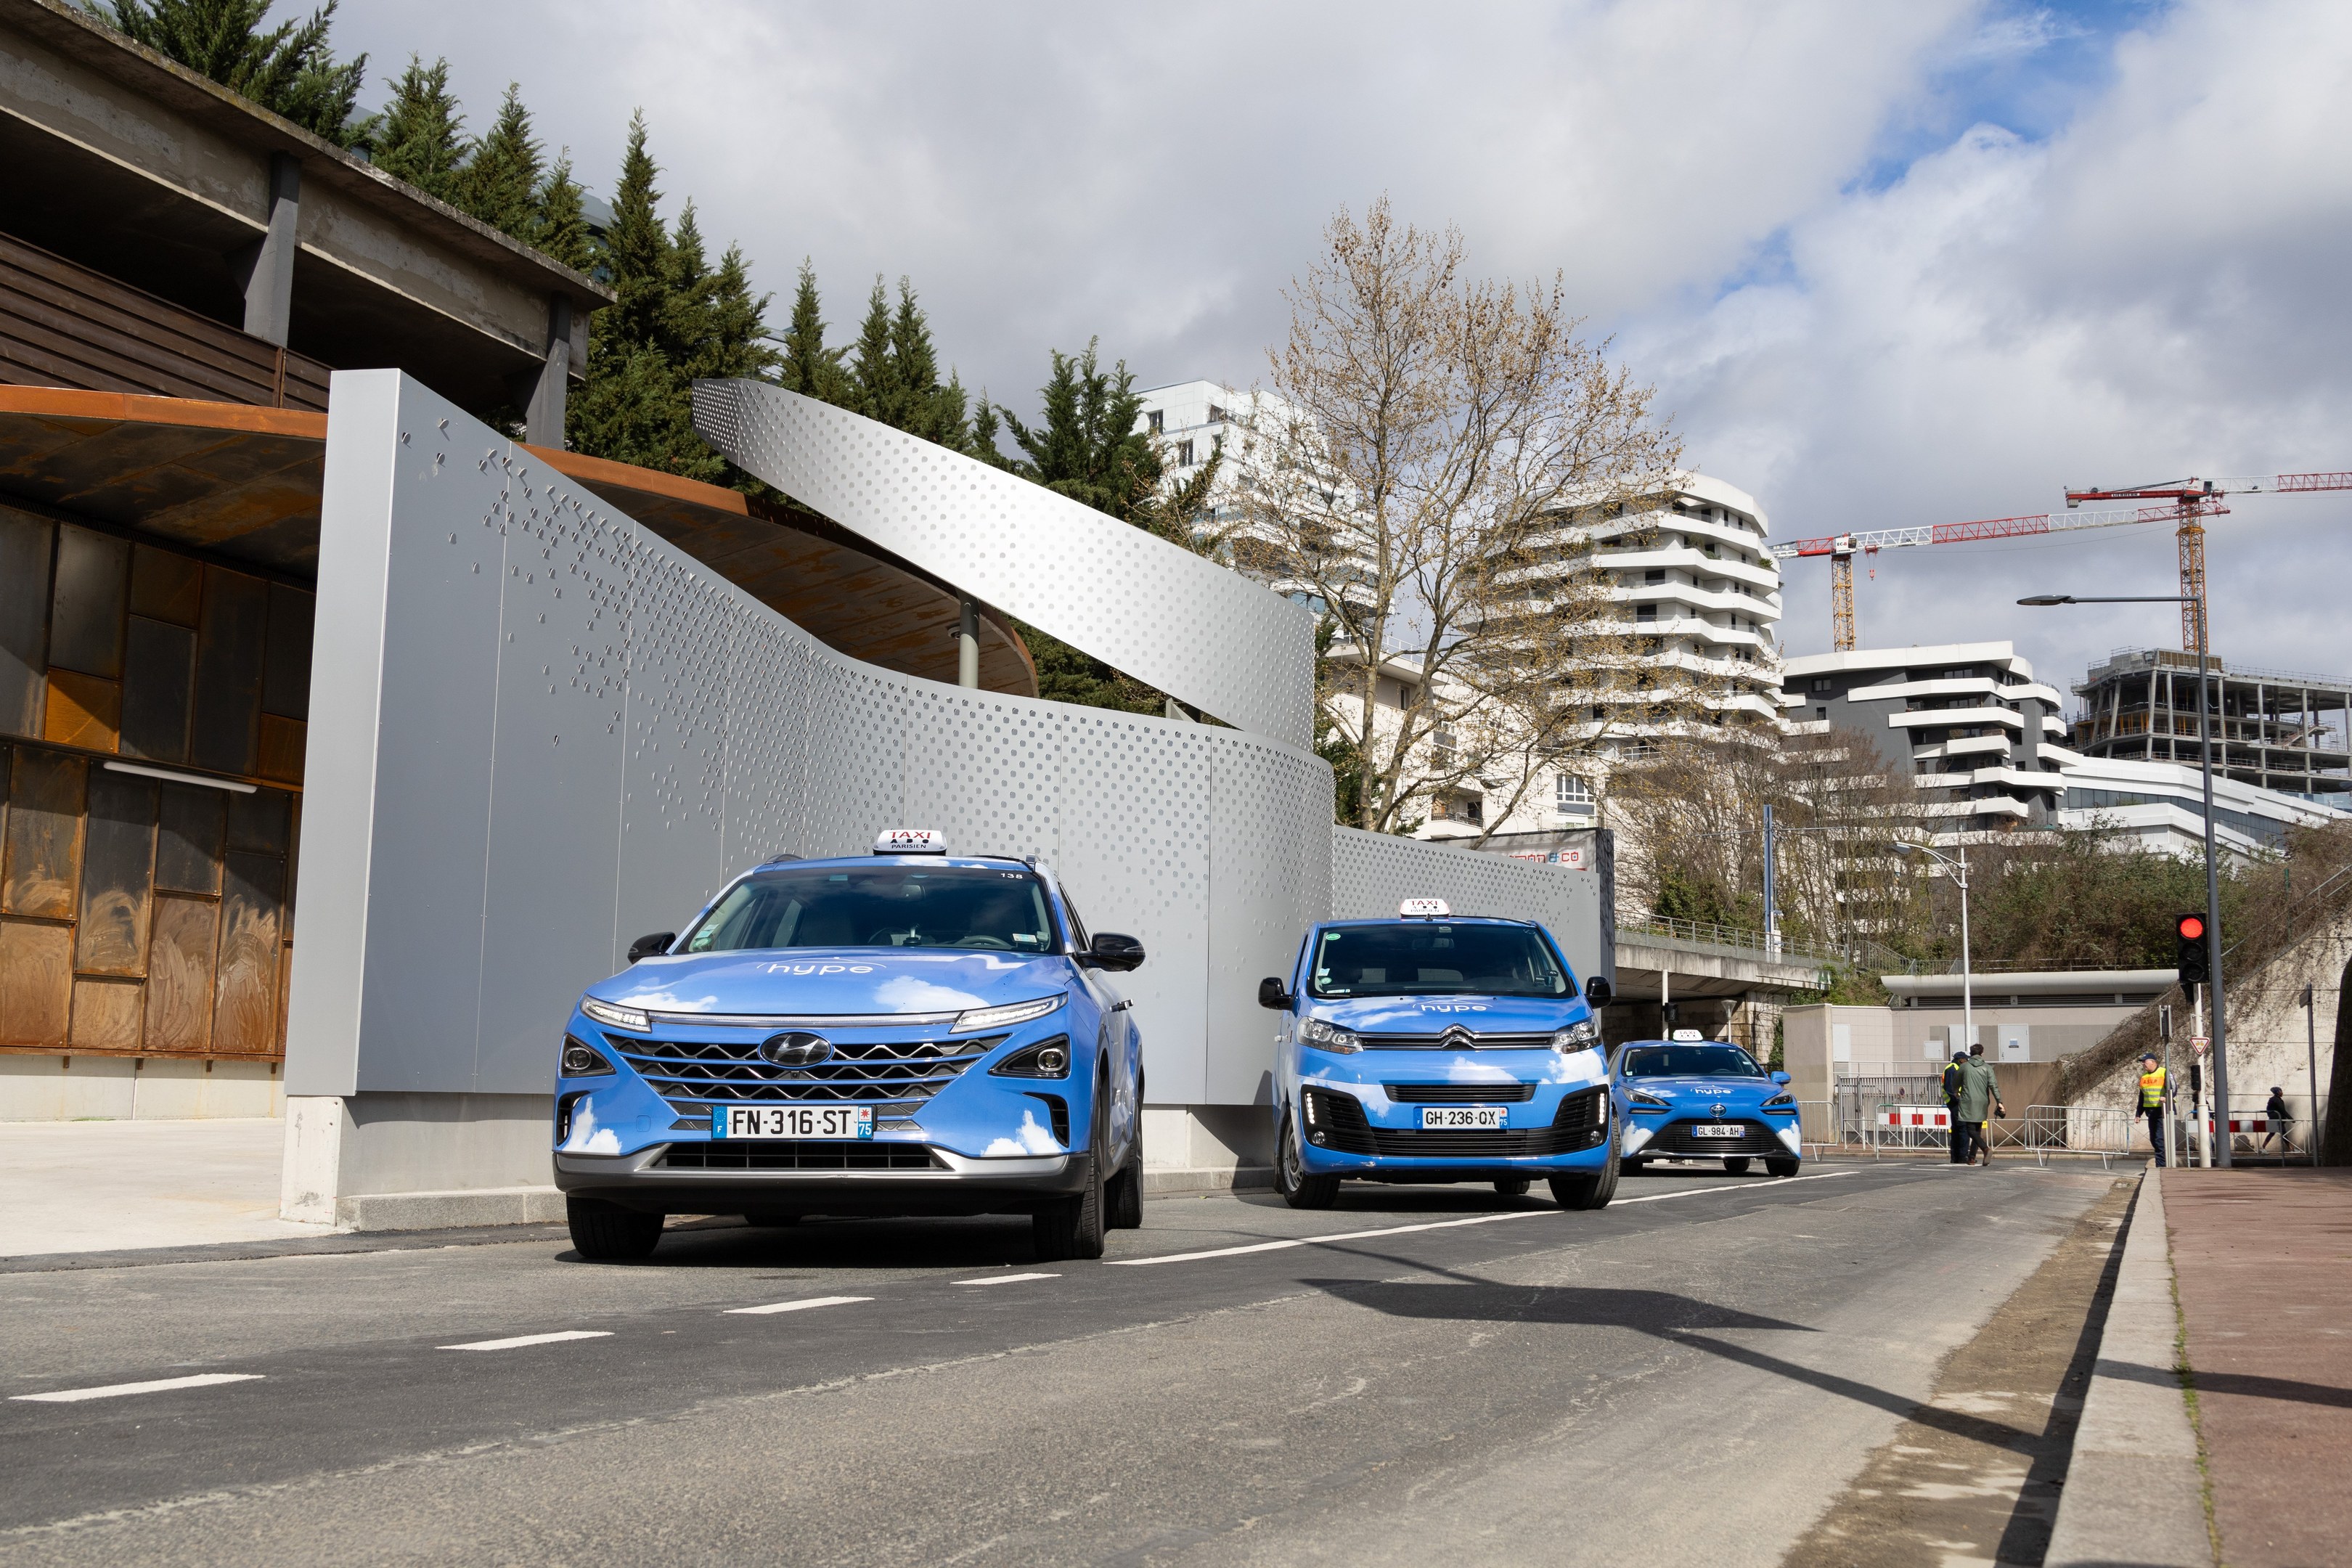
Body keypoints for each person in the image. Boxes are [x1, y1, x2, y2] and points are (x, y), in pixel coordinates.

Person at [1955, 1050, 2000, 1166]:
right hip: (1982, 1102)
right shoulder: (1987, 1068)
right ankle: (1971, 1158)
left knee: (1970, 1130)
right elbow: (1993, 1086)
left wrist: (1956, 1092)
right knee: (1977, 1130)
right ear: (1982, 1054)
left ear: (1971, 1053)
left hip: (1968, 1102)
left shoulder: (1964, 1067)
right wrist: (1999, 1101)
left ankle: (1985, 1149)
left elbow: (1956, 1082)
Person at [2139, 1053, 2169, 1167]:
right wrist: (2138, 1113)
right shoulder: (2144, 1077)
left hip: (2163, 1111)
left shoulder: (2164, 1072)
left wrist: (2166, 1097)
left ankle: (2161, 1165)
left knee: (2159, 1138)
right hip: (2151, 1112)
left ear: (2153, 1062)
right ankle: (2161, 1163)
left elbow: (2173, 1088)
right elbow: (2142, 1097)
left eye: (2145, 1061)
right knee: (2154, 1139)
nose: (2143, 1064)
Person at [1943, 1049, 1971, 1164]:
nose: (1967, 1061)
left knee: (1956, 1129)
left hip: (1953, 1102)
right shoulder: (1952, 1069)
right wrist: (1959, 1100)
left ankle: (1956, 1156)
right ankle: (1962, 1156)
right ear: (1961, 1060)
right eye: (1966, 1059)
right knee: (1962, 1128)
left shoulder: (1953, 1067)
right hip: (1956, 1103)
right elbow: (1950, 1088)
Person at [2263, 1086, 2292, 1156]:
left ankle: (2263, 1148)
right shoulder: (2276, 1100)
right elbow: (2283, 1110)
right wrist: (2291, 1118)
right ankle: (2291, 1149)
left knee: (2276, 1134)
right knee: (2283, 1134)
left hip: (2274, 1120)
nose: (2282, 1092)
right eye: (2280, 1091)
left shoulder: (2275, 1099)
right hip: (2277, 1120)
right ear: (2277, 1092)